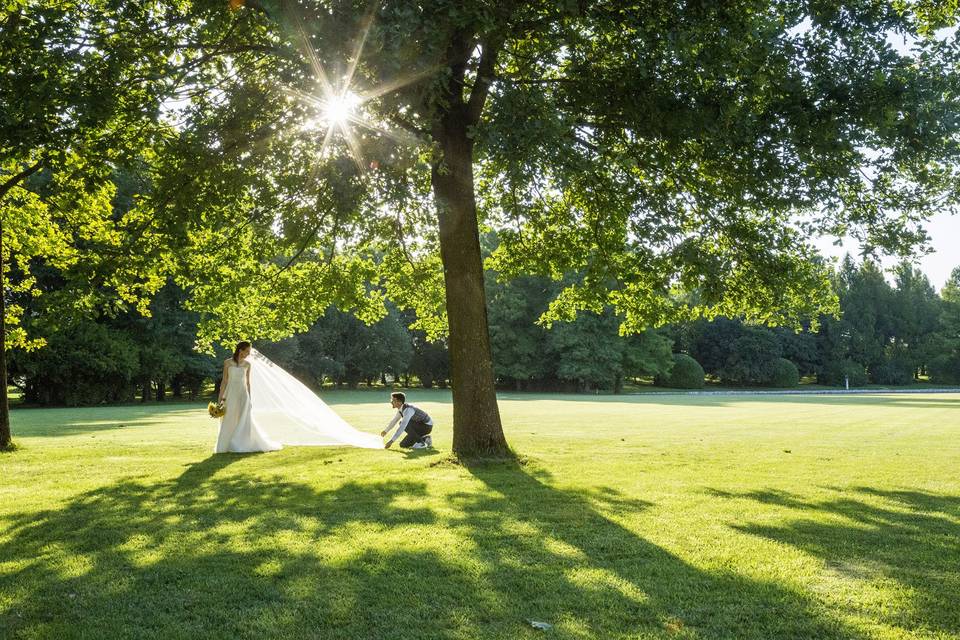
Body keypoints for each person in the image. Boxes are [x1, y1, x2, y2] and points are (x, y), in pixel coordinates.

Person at [215, 341, 283, 453]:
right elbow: (224, 381)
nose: (247, 354)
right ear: (240, 350)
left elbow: (248, 383)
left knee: (244, 418)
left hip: (243, 394)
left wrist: (250, 398)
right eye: (246, 351)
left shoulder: (247, 364)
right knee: (229, 417)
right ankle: (226, 445)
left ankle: (241, 443)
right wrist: (220, 398)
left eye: (249, 352)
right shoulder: (227, 362)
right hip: (230, 393)